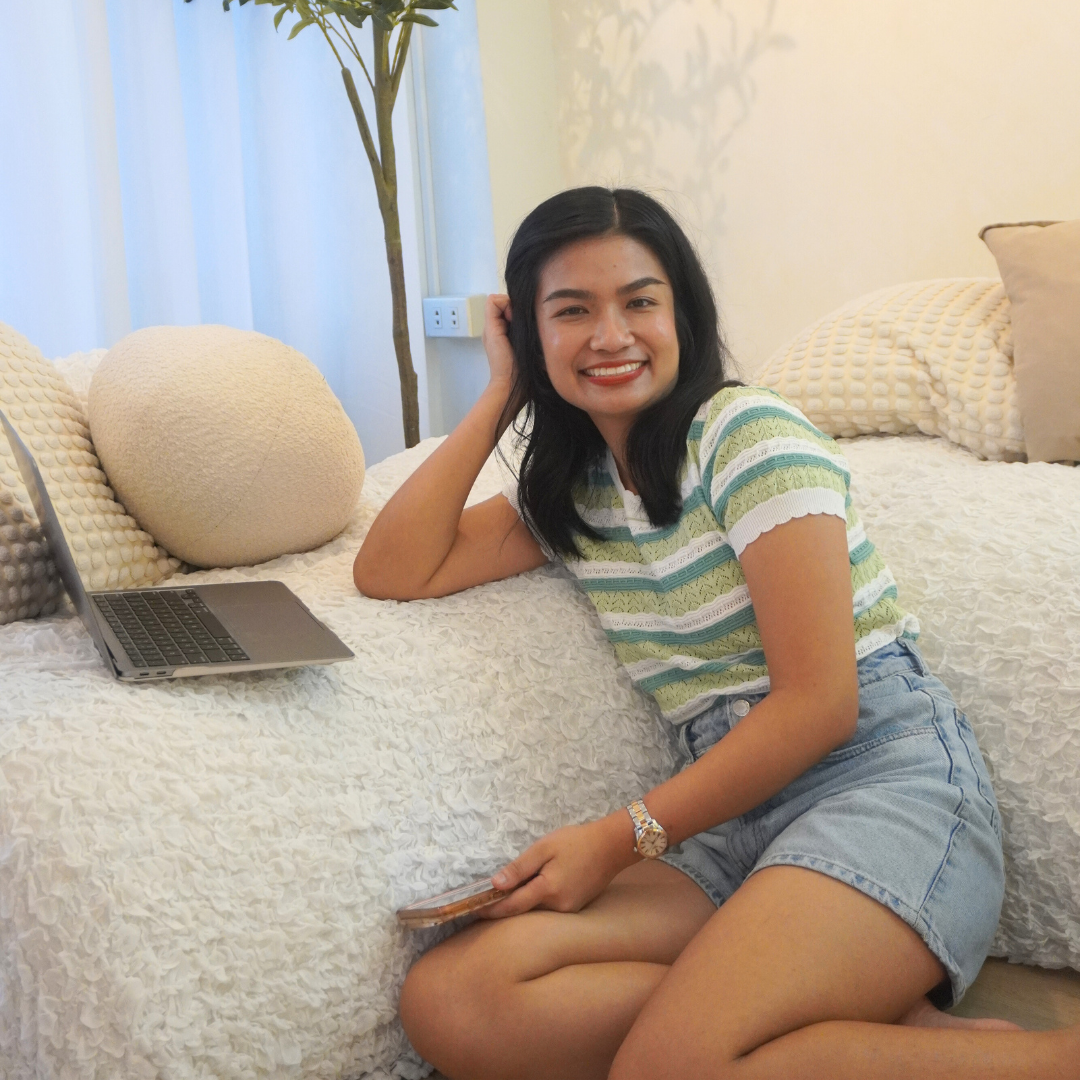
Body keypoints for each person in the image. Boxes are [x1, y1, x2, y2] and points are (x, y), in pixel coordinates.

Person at [354, 188, 1073, 1080]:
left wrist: (618, 839)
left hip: (884, 790)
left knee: (669, 1067)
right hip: (737, 818)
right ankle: (868, 1026)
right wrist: (501, 392)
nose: (610, 334)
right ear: (532, 335)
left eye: (639, 302)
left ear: (681, 314)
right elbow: (391, 570)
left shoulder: (749, 436)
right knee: (454, 1000)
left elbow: (818, 707)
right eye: (570, 311)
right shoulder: (573, 493)